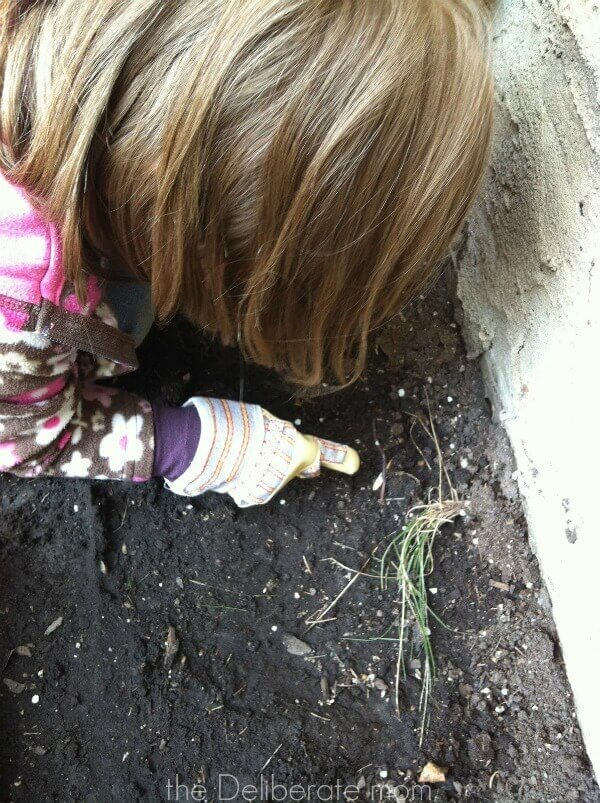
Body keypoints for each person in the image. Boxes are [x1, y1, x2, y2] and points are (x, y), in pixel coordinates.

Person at [0, 0, 494, 506]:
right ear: (171, 211)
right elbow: (27, 440)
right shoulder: (22, 301)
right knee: (122, 315)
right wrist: (206, 444)